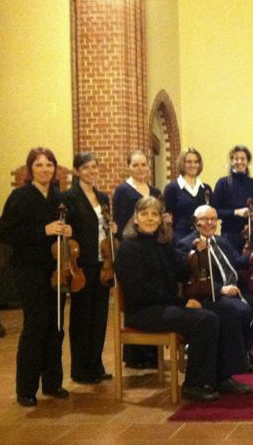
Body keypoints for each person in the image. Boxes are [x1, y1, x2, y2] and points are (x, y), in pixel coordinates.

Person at [114, 197, 252, 401]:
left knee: (227, 311)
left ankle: (222, 377)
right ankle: (194, 384)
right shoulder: (128, 248)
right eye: (145, 214)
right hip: (144, 312)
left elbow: (180, 272)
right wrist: (182, 303)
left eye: (155, 214)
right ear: (135, 218)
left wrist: (195, 255)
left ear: (161, 219)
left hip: (165, 306)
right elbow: (141, 292)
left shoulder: (162, 243)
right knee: (205, 319)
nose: (150, 219)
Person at [1, 147, 71, 407]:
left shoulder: (57, 197)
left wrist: (66, 229)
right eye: (39, 165)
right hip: (28, 270)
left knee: (56, 327)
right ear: (30, 169)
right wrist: (44, 230)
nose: (45, 169)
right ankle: (26, 388)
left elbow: (63, 228)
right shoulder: (19, 196)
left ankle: (52, 383)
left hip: (56, 270)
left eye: (49, 165)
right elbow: (8, 234)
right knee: (35, 326)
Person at [174, 205, 253, 367]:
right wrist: (220, 289)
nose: (210, 223)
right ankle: (240, 354)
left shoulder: (223, 241)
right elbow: (185, 276)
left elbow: (238, 262)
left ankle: (246, 345)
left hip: (236, 289)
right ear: (196, 222)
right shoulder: (186, 244)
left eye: (213, 219)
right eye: (205, 219)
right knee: (242, 310)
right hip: (212, 294)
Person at [62, 153, 113, 384]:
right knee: (82, 317)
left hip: (103, 262)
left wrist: (112, 226)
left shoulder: (102, 197)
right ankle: (81, 369)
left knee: (100, 316)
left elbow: (104, 225)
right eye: (86, 168)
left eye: (94, 167)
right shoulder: (69, 197)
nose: (91, 171)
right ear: (77, 171)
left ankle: (96, 364)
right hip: (82, 263)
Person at [112, 149, 163, 369]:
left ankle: (152, 354)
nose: (141, 169)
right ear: (128, 167)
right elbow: (123, 221)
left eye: (144, 165)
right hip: (133, 246)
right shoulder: (123, 191)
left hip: (152, 246)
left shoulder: (155, 190)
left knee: (154, 295)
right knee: (137, 297)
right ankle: (135, 356)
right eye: (136, 165)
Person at [212, 145, 253, 253]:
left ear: (247, 161)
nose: (239, 161)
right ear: (231, 161)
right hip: (229, 235)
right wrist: (236, 212)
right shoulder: (223, 183)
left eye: (243, 159)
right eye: (236, 158)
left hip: (250, 234)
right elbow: (215, 211)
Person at [163, 148, 213, 242]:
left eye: (196, 162)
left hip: (204, 237)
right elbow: (168, 216)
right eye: (189, 162)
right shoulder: (172, 188)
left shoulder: (206, 189)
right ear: (182, 164)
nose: (193, 165)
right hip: (180, 238)